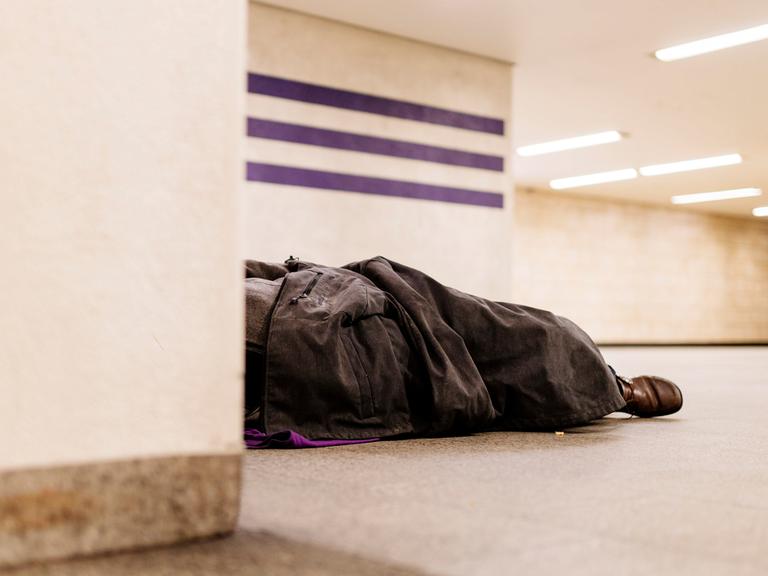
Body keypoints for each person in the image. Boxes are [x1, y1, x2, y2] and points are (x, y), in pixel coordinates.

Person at [244, 256, 682, 446]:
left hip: (309, 302)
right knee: (513, 345)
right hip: (306, 338)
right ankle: (608, 388)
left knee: (489, 325)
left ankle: (604, 383)